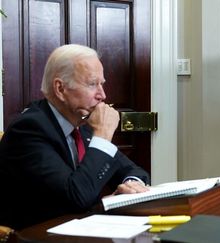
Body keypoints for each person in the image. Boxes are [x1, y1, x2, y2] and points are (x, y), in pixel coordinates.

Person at [0, 44, 150, 229]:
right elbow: (76, 198)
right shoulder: (28, 130)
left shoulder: (82, 125)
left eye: (101, 84)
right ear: (60, 89)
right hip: (41, 236)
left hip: (83, 231)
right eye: (92, 84)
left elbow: (135, 172)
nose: (102, 95)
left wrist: (131, 185)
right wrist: (103, 135)